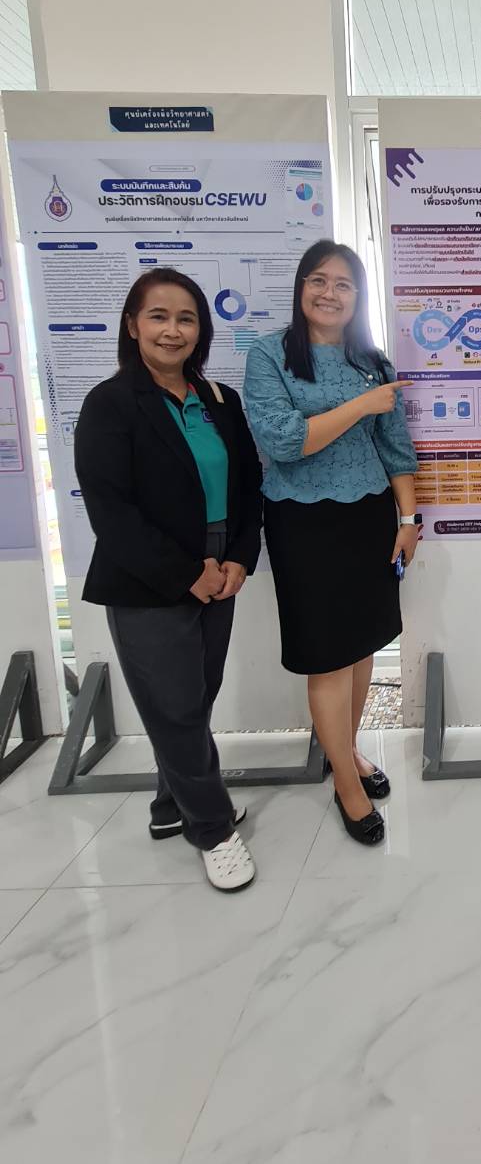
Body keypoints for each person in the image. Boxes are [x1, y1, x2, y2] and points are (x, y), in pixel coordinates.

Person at [74, 268, 261, 893]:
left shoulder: (218, 399)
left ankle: (168, 805)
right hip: (147, 578)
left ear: (201, 330)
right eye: (158, 316)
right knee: (176, 708)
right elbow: (112, 513)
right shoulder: (109, 403)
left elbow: (247, 485)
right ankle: (212, 828)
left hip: (221, 569)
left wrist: (239, 557)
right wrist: (187, 574)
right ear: (132, 326)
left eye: (186, 318)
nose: (172, 330)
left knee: (194, 698)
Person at [243, 240, 419, 847]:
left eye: (344, 284)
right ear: (301, 287)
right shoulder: (269, 355)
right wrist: (363, 402)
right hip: (302, 521)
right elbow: (285, 441)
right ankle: (345, 781)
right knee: (327, 655)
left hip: (369, 516)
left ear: (358, 296)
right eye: (318, 280)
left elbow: (395, 446)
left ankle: (349, 751)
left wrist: (408, 518)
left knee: (363, 643)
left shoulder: (371, 360)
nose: (330, 293)